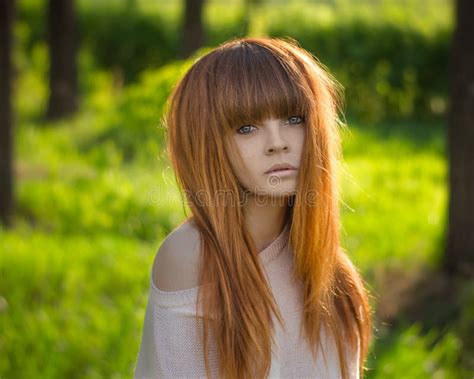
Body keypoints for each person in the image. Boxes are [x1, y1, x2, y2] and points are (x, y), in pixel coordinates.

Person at [134, 36, 373, 379]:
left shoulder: (334, 273)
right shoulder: (191, 256)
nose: (278, 144)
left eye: (294, 119)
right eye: (247, 128)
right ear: (207, 142)